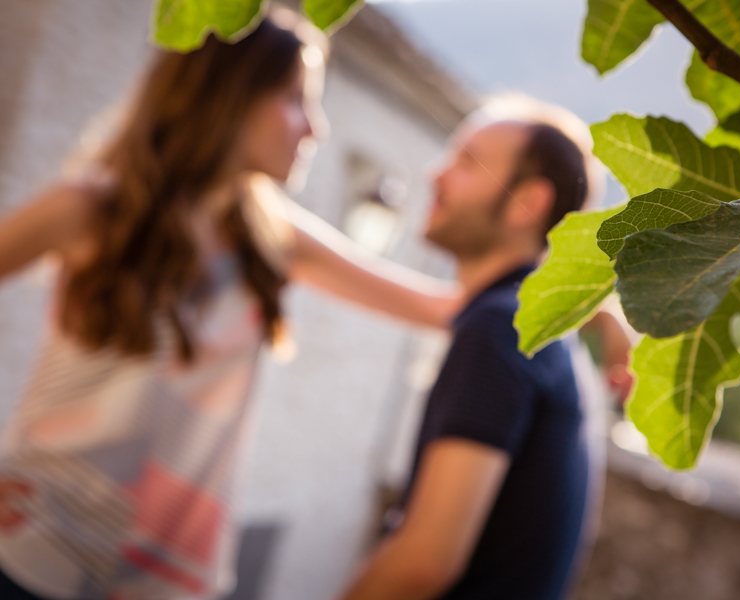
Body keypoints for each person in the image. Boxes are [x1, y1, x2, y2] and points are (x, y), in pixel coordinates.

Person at [0, 13, 462, 600]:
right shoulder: (92, 209)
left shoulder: (270, 237)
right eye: (295, 100)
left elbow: (444, 307)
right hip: (33, 554)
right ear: (227, 96)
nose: (315, 130)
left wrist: (589, 304)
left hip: (162, 582)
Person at [337, 98, 626, 600]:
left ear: (527, 203)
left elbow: (423, 564)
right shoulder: (532, 326)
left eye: (468, 162)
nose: (436, 176)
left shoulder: (500, 327)